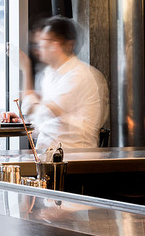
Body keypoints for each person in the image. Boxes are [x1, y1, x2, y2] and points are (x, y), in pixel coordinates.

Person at [19, 16, 108, 150]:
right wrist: (21, 121)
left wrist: (26, 69)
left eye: (44, 41)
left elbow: (42, 112)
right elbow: (40, 120)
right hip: (49, 153)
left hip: (73, 156)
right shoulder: (49, 74)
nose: (39, 47)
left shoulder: (79, 75)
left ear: (56, 45)